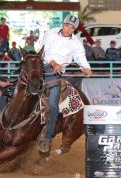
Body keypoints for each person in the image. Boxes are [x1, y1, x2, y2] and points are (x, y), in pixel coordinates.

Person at [37, 15, 92, 153]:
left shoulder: (76, 43)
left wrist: (86, 68)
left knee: (54, 102)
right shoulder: (50, 33)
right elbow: (44, 50)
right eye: (67, 25)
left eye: (72, 27)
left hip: (56, 73)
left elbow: (80, 57)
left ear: (74, 29)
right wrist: (53, 62)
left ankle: (47, 138)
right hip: (40, 65)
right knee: (14, 86)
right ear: (63, 24)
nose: (69, 29)